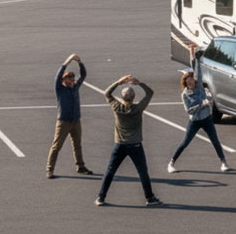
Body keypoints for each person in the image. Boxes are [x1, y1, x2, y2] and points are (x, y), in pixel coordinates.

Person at [95, 75, 162, 207]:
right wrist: (139, 83)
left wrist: (118, 82)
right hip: (135, 144)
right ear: (133, 97)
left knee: (110, 171)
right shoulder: (138, 109)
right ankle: (150, 197)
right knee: (142, 172)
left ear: (123, 97)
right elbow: (150, 93)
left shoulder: (117, 107)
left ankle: (101, 197)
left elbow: (107, 93)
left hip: (120, 144)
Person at [167, 43, 229, 173]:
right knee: (185, 142)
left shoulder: (199, 86)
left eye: (193, 80)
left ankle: (223, 162)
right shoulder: (185, 95)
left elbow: (197, 68)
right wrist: (202, 105)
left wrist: (192, 53)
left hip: (207, 118)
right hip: (194, 120)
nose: (192, 83)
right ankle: (171, 162)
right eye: (189, 81)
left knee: (215, 141)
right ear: (185, 83)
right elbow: (189, 110)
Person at [46, 53, 94, 178]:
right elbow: (57, 76)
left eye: (73, 79)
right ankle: (50, 169)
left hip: (76, 121)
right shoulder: (60, 89)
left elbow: (83, 75)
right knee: (56, 146)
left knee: (77, 145)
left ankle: (80, 166)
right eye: (70, 79)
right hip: (63, 122)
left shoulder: (75, 87)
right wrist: (67, 61)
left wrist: (80, 62)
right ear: (64, 81)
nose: (72, 81)